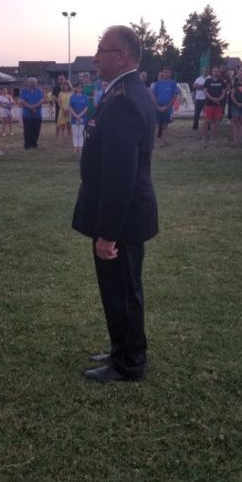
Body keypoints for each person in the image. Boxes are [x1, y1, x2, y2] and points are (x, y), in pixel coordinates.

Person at [72, 25, 158, 383]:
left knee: (121, 291)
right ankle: (122, 348)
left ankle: (129, 363)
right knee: (121, 289)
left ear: (121, 56)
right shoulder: (123, 91)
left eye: (101, 51)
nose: (95, 58)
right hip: (121, 214)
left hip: (121, 218)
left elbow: (120, 174)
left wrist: (107, 234)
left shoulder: (123, 99)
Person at [152, 66, 179, 146]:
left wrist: (167, 106)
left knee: (165, 125)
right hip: (157, 108)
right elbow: (153, 96)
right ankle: (152, 142)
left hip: (168, 109)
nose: (166, 74)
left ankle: (163, 142)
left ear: (170, 73)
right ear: (162, 73)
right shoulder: (157, 84)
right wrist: (157, 106)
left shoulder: (173, 83)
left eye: (167, 72)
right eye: (164, 72)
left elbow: (174, 96)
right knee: (155, 125)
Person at [203, 66, 226, 143]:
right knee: (206, 121)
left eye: (217, 71)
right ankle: (204, 137)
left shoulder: (222, 81)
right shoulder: (208, 81)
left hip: (218, 104)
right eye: (214, 71)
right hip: (209, 104)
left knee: (214, 122)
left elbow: (223, 92)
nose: (216, 72)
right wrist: (212, 98)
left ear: (219, 72)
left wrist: (219, 99)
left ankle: (212, 137)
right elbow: (205, 91)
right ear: (212, 72)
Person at [19, 77, 43, 149]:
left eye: (34, 83)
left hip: (37, 114)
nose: (32, 85)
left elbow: (41, 101)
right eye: (31, 83)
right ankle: (27, 144)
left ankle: (34, 144)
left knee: (36, 129)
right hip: (27, 115)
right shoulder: (24, 91)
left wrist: (34, 107)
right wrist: (30, 107)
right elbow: (22, 101)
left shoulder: (39, 91)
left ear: (36, 84)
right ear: (28, 83)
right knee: (27, 130)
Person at [68, 81, 88, 153]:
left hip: (83, 118)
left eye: (80, 87)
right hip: (74, 118)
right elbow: (70, 107)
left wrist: (80, 115)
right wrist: (75, 115)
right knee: (75, 133)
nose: (79, 88)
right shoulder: (72, 97)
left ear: (82, 88)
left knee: (80, 134)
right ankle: (75, 147)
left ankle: (80, 147)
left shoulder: (85, 97)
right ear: (75, 88)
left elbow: (86, 107)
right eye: (77, 87)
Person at [192, 66, 210, 131]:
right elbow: (194, 86)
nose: (205, 71)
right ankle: (195, 126)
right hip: (198, 98)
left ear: (209, 71)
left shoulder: (210, 79)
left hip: (206, 99)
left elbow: (208, 88)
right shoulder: (198, 78)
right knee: (197, 113)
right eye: (204, 70)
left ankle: (208, 127)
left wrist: (199, 86)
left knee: (207, 114)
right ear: (202, 71)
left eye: (207, 70)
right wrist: (203, 87)